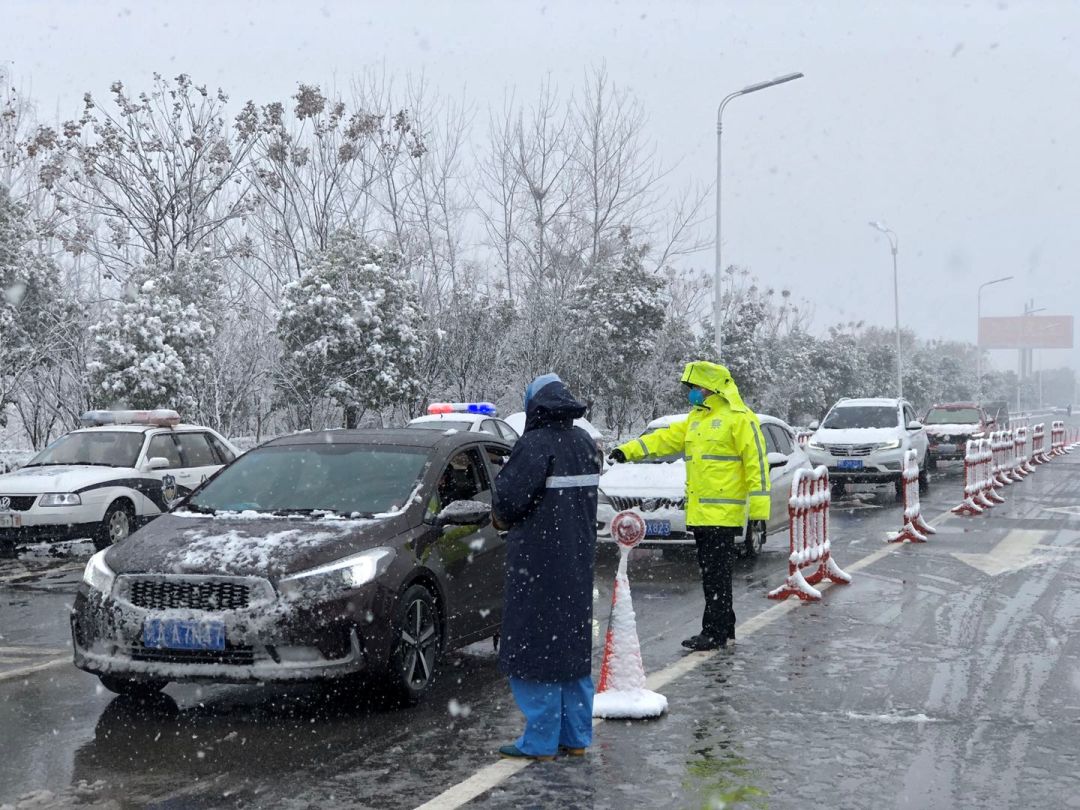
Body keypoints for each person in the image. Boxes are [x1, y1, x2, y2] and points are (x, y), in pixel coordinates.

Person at [609, 361, 769, 651]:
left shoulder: (739, 419)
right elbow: (664, 439)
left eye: (695, 387)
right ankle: (724, 626)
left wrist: (759, 512)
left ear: (711, 387)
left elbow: (756, 463)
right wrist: (628, 450)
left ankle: (713, 633)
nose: (692, 393)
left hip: (723, 513)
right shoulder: (697, 420)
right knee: (713, 573)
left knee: (715, 575)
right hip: (701, 513)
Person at [492, 373, 601, 760]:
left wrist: (500, 516)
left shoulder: (535, 445)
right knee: (570, 651)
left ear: (534, 406)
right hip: (576, 562)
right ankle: (575, 738)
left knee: (533, 649)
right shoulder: (585, 443)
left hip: (537, 565)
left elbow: (506, 502)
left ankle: (538, 741)